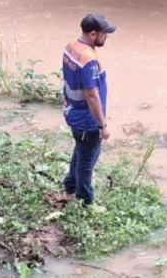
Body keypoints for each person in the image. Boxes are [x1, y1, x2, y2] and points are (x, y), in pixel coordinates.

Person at [61, 13, 116, 205]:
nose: (106, 37)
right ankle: (85, 200)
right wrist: (102, 125)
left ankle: (70, 186)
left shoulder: (71, 47)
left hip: (72, 111)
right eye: (103, 33)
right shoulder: (88, 60)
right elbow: (92, 95)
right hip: (87, 120)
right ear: (93, 34)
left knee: (80, 151)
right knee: (87, 161)